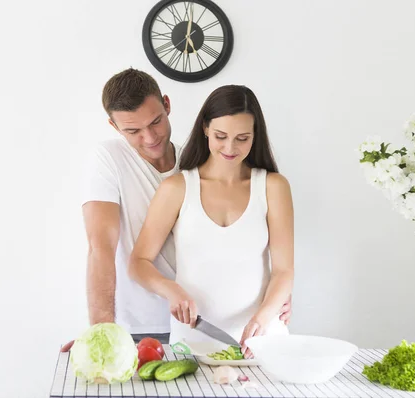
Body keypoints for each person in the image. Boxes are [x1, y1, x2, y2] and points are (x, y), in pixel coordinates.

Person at [61, 69, 291, 351]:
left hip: (223, 330)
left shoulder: (194, 163)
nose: (149, 137)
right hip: (142, 324)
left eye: (156, 122)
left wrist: (272, 303)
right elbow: (101, 247)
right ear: (114, 126)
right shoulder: (115, 161)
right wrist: (101, 333)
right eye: (133, 131)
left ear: (167, 106)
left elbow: (268, 263)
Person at [129, 85, 294, 358]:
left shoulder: (273, 187)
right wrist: (170, 290)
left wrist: (262, 319)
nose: (230, 148)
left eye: (242, 138)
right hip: (193, 341)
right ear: (205, 128)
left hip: (263, 341)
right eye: (221, 136)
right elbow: (138, 262)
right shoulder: (177, 188)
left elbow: (284, 271)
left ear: (256, 136)